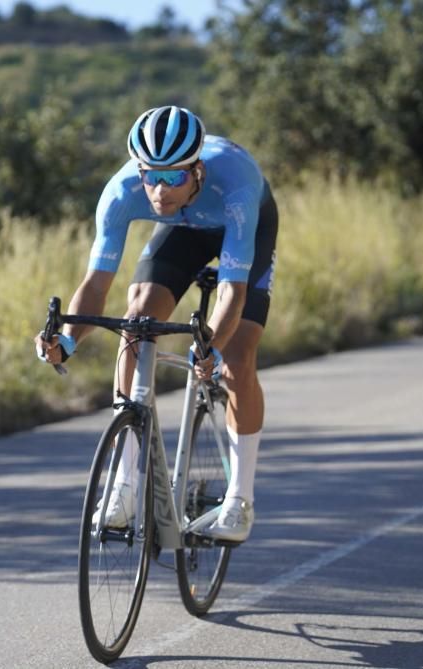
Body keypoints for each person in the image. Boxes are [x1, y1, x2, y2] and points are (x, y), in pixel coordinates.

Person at [34, 105, 277, 543]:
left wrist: (212, 348)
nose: (160, 191)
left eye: (174, 178)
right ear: (139, 170)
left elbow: (232, 294)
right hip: (183, 231)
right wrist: (67, 342)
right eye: (152, 176)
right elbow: (96, 283)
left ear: (197, 170)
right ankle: (125, 485)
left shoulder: (236, 186)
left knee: (237, 354)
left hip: (242, 230)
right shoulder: (122, 191)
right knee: (138, 317)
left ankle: (240, 498)